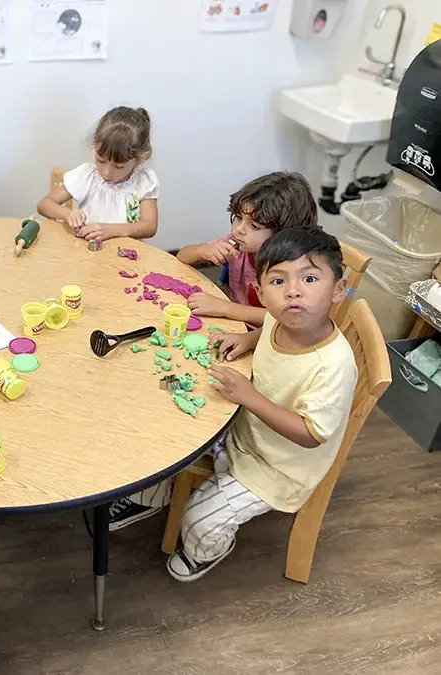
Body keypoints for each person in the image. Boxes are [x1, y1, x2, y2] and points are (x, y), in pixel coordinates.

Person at [167, 227, 357, 581]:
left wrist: (249, 397)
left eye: (310, 278)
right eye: (278, 282)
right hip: (242, 430)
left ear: (338, 290)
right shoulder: (280, 318)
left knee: (199, 519)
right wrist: (247, 338)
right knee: (165, 443)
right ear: (260, 292)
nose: (293, 291)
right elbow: (266, 327)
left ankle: (204, 553)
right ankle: (146, 502)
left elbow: (311, 434)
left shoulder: (334, 365)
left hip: (281, 469)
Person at [177, 171, 318, 327]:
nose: (239, 229)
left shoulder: (291, 269)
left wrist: (225, 308)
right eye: (238, 217)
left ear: (282, 235)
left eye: (254, 226)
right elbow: (182, 256)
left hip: (270, 339)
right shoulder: (238, 243)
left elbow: (281, 318)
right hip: (235, 324)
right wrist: (204, 250)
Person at [37, 106, 159, 242]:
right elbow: (44, 205)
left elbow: (150, 226)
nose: (107, 172)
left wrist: (111, 230)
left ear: (140, 158)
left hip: (123, 258)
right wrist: (68, 214)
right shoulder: (87, 176)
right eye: (101, 160)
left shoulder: (143, 182)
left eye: (119, 166)